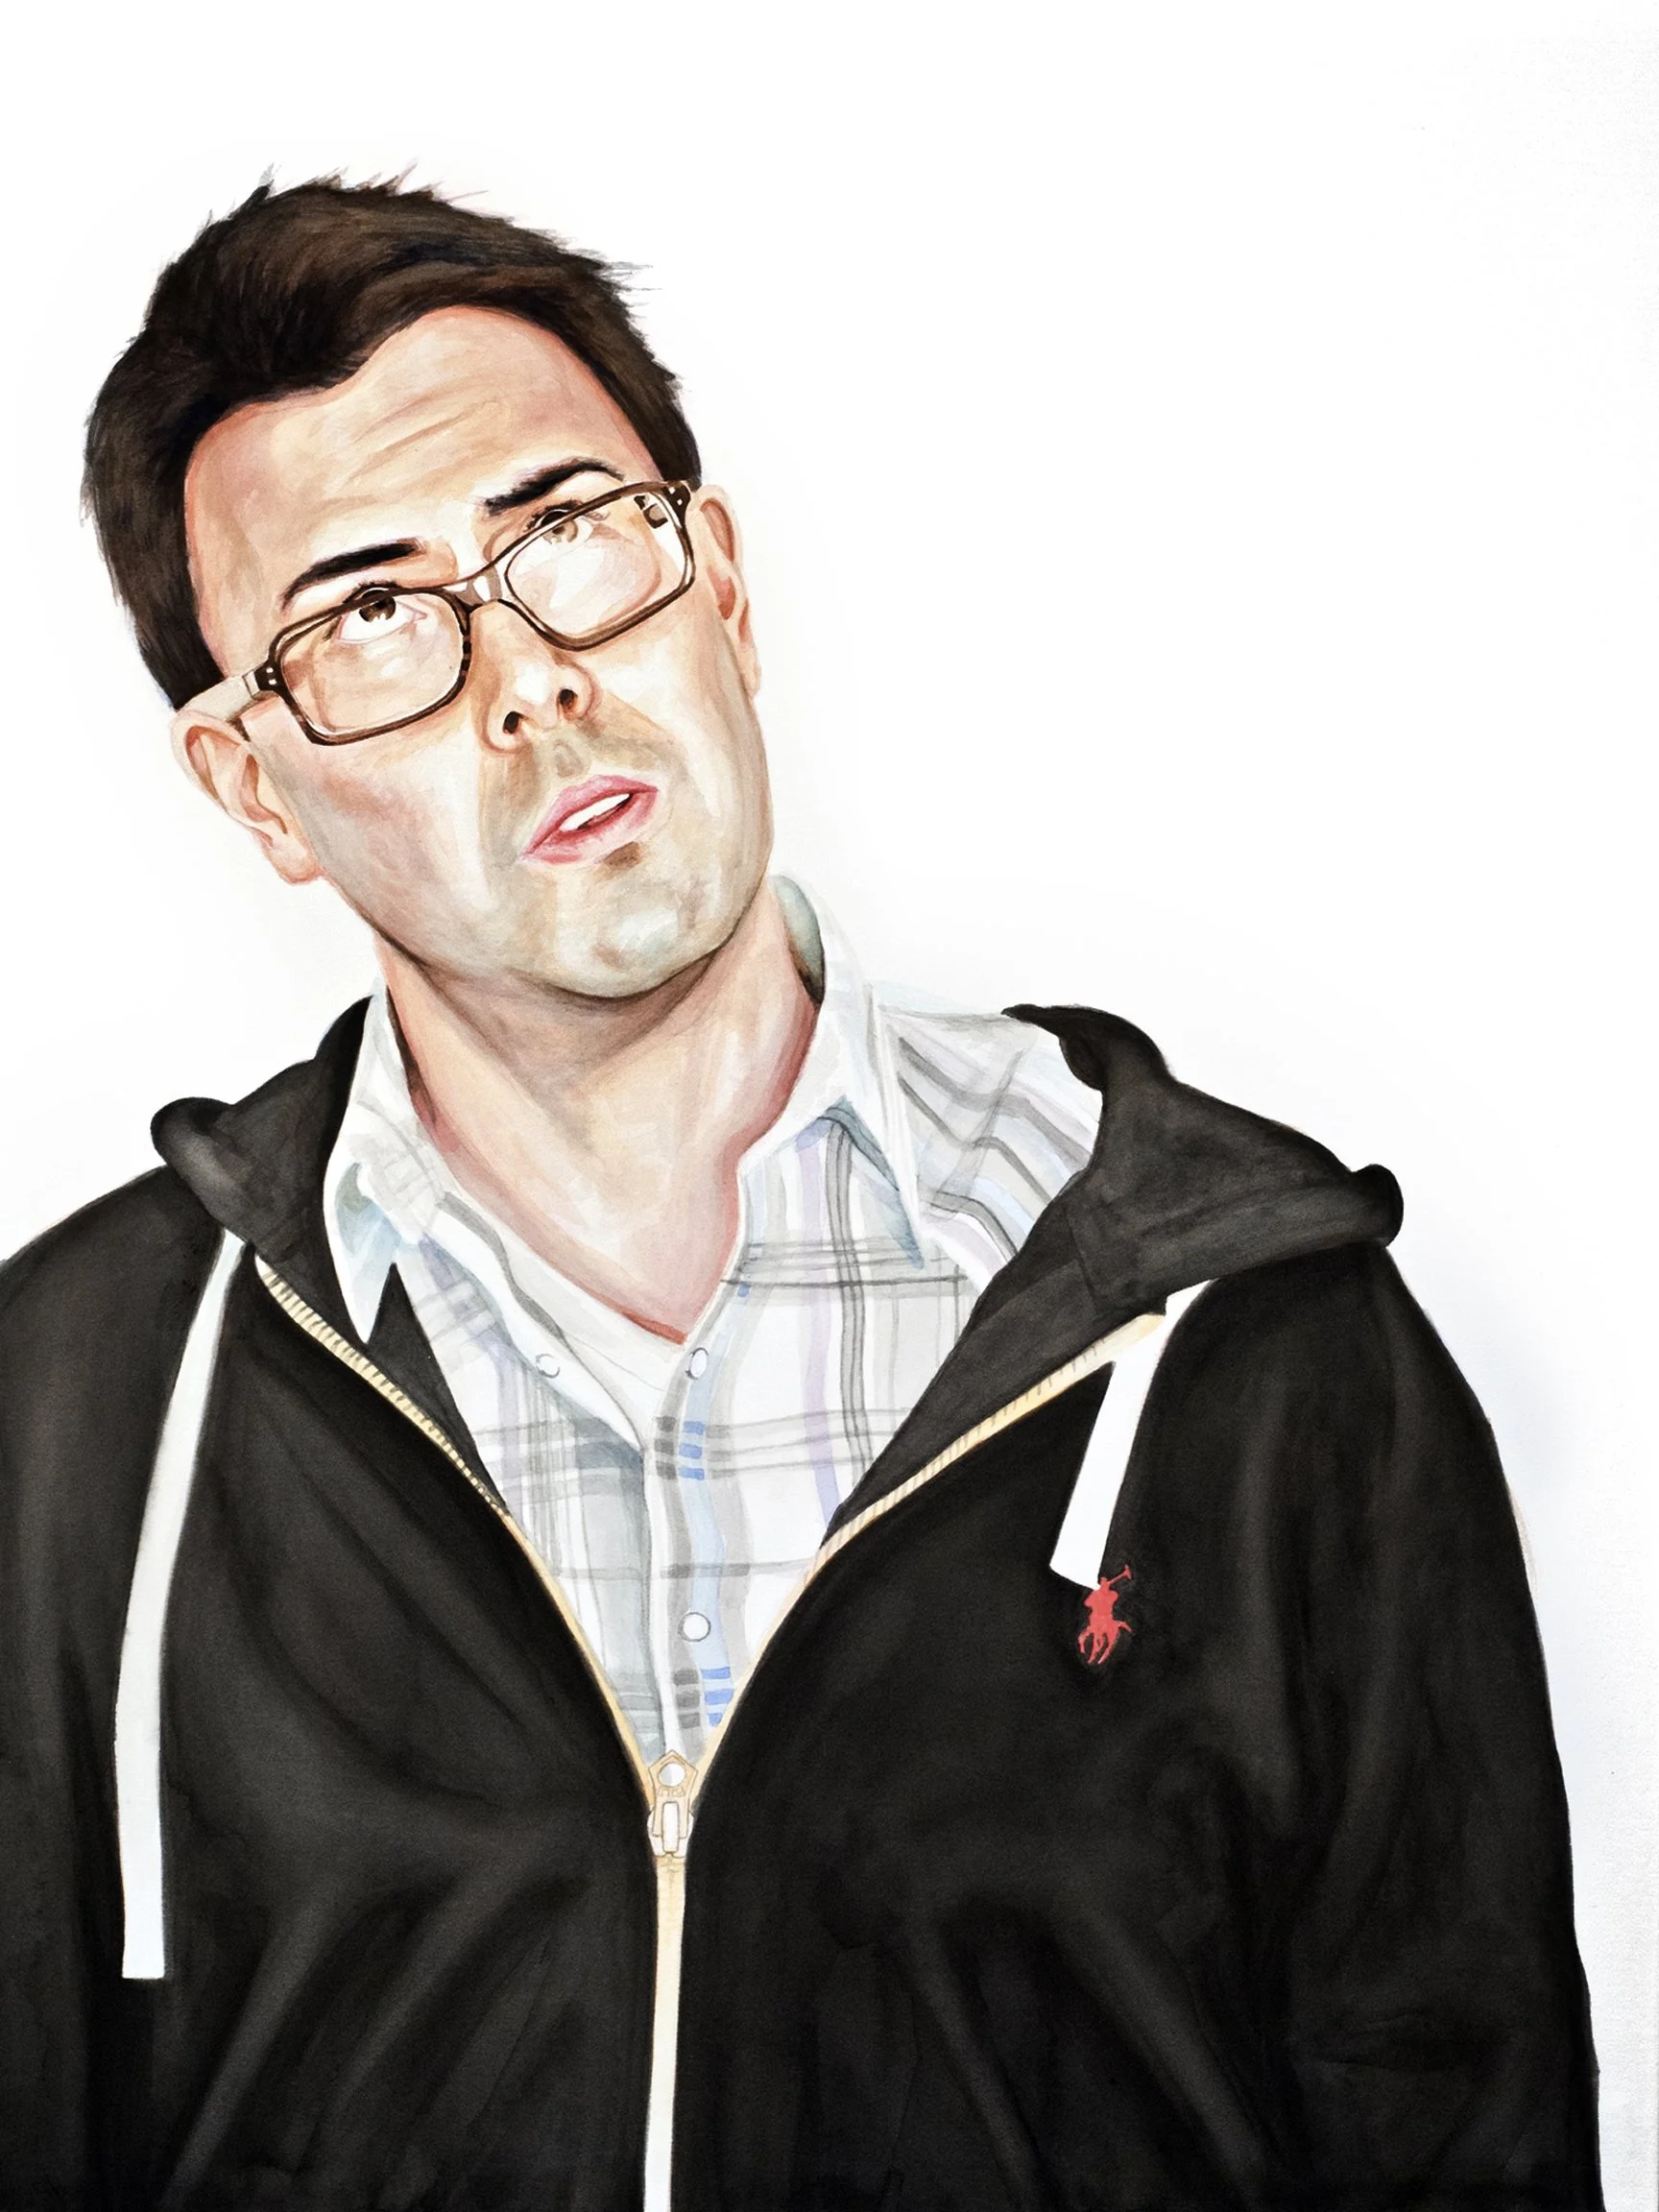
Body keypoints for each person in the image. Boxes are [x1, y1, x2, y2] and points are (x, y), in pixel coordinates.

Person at [0, 178, 1599, 2211]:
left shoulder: (1263, 1343)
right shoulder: (75, 1411)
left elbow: (1466, 2138)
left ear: (724, 592)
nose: (530, 679)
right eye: (371, 619)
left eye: (569, 534)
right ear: (258, 787)